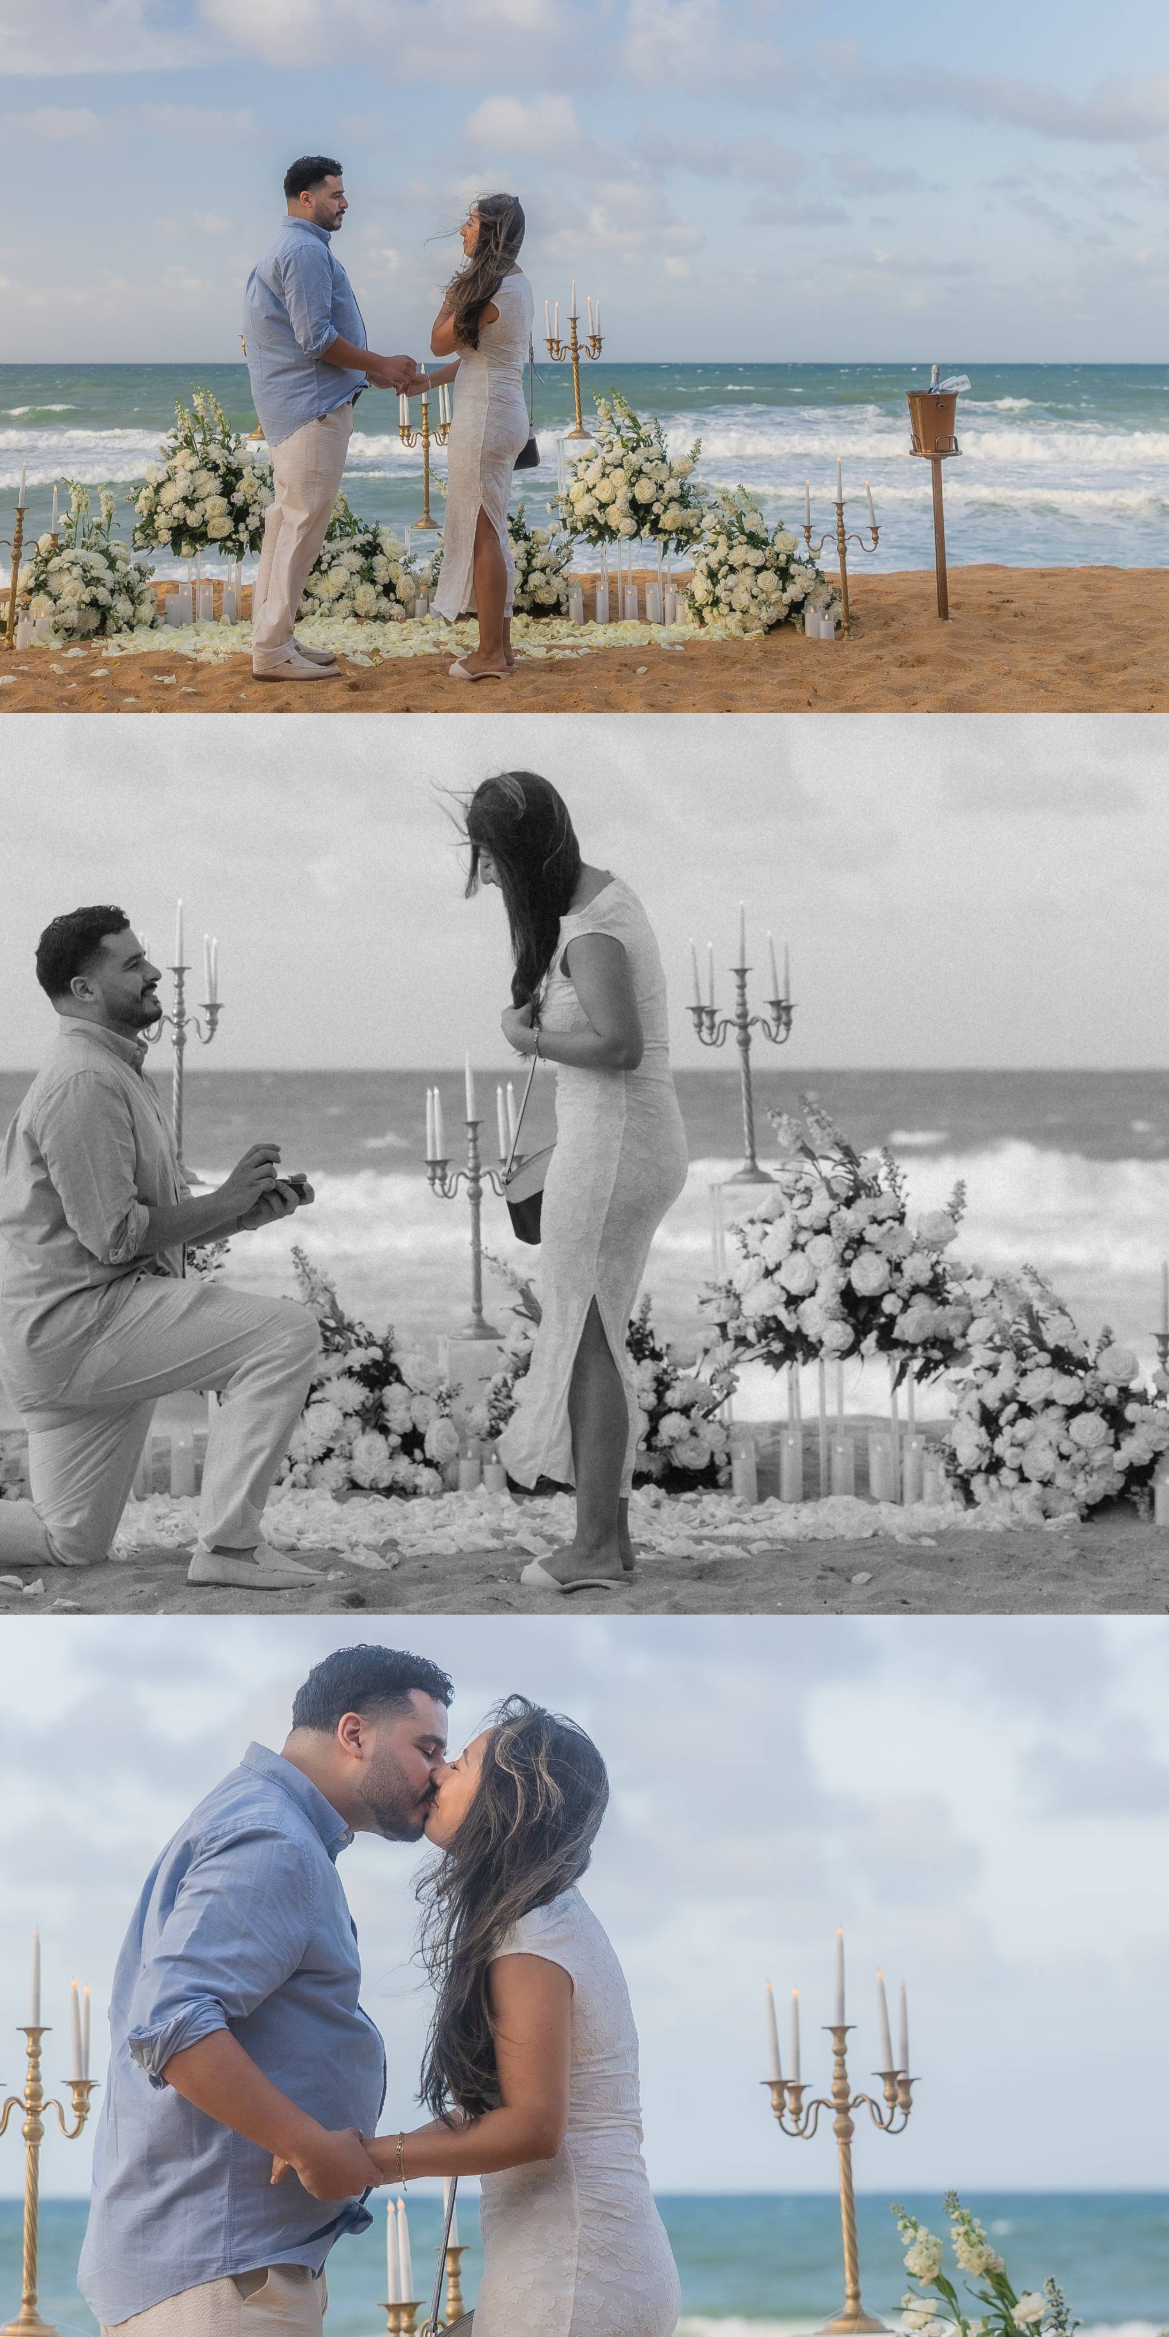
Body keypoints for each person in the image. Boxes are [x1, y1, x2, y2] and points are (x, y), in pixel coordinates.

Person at [0, 904, 327, 1592]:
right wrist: (227, 1200)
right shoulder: (85, 1081)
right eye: (134, 964)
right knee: (285, 1334)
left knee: (70, 1540)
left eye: (147, 960)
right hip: (86, 1329)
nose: (153, 977)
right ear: (84, 990)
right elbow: (116, 1239)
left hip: (68, 1339)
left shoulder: (105, 1069)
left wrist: (238, 1216)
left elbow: (121, 1227)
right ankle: (231, 1548)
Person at [80, 1644, 456, 2337]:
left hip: (176, 2263)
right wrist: (309, 2146)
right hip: (223, 2269)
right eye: (427, 1748)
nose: (436, 1774)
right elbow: (172, 2023)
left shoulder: (255, 1819)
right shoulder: (276, 1840)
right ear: (353, 1733)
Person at [362, 1695, 680, 2337]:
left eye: (460, 1763)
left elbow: (532, 2127)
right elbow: (496, 2115)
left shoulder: (532, 1935)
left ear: (510, 1800)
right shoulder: (551, 1920)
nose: (438, 1772)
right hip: (602, 2258)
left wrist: (374, 2160)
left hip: (572, 2270)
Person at [465, 772, 688, 1592]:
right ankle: (610, 1540)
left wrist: (528, 1042)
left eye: (489, 861)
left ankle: (593, 1546)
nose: (486, 878)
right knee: (595, 1334)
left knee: (586, 1338)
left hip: (617, 1143)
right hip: (625, 1139)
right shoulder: (595, 905)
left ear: (519, 854)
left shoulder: (591, 930)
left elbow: (620, 1047)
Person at [242, 155, 425, 683]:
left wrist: (373, 374)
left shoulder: (293, 247)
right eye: (336, 195)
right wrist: (382, 365)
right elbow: (316, 339)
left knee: (285, 527)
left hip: (297, 407)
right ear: (307, 198)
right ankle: (272, 652)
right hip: (311, 409)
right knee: (299, 529)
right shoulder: (302, 250)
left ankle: (275, 638)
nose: (345, 203)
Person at [426, 192, 535, 681]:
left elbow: (440, 338)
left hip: (486, 419)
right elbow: (477, 358)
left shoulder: (491, 292)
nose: (462, 232)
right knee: (492, 528)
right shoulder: (514, 284)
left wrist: (456, 288)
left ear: (489, 232)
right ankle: (501, 649)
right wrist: (429, 381)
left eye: (470, 224)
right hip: (501, 411)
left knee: (483, 532)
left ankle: (490, 652)